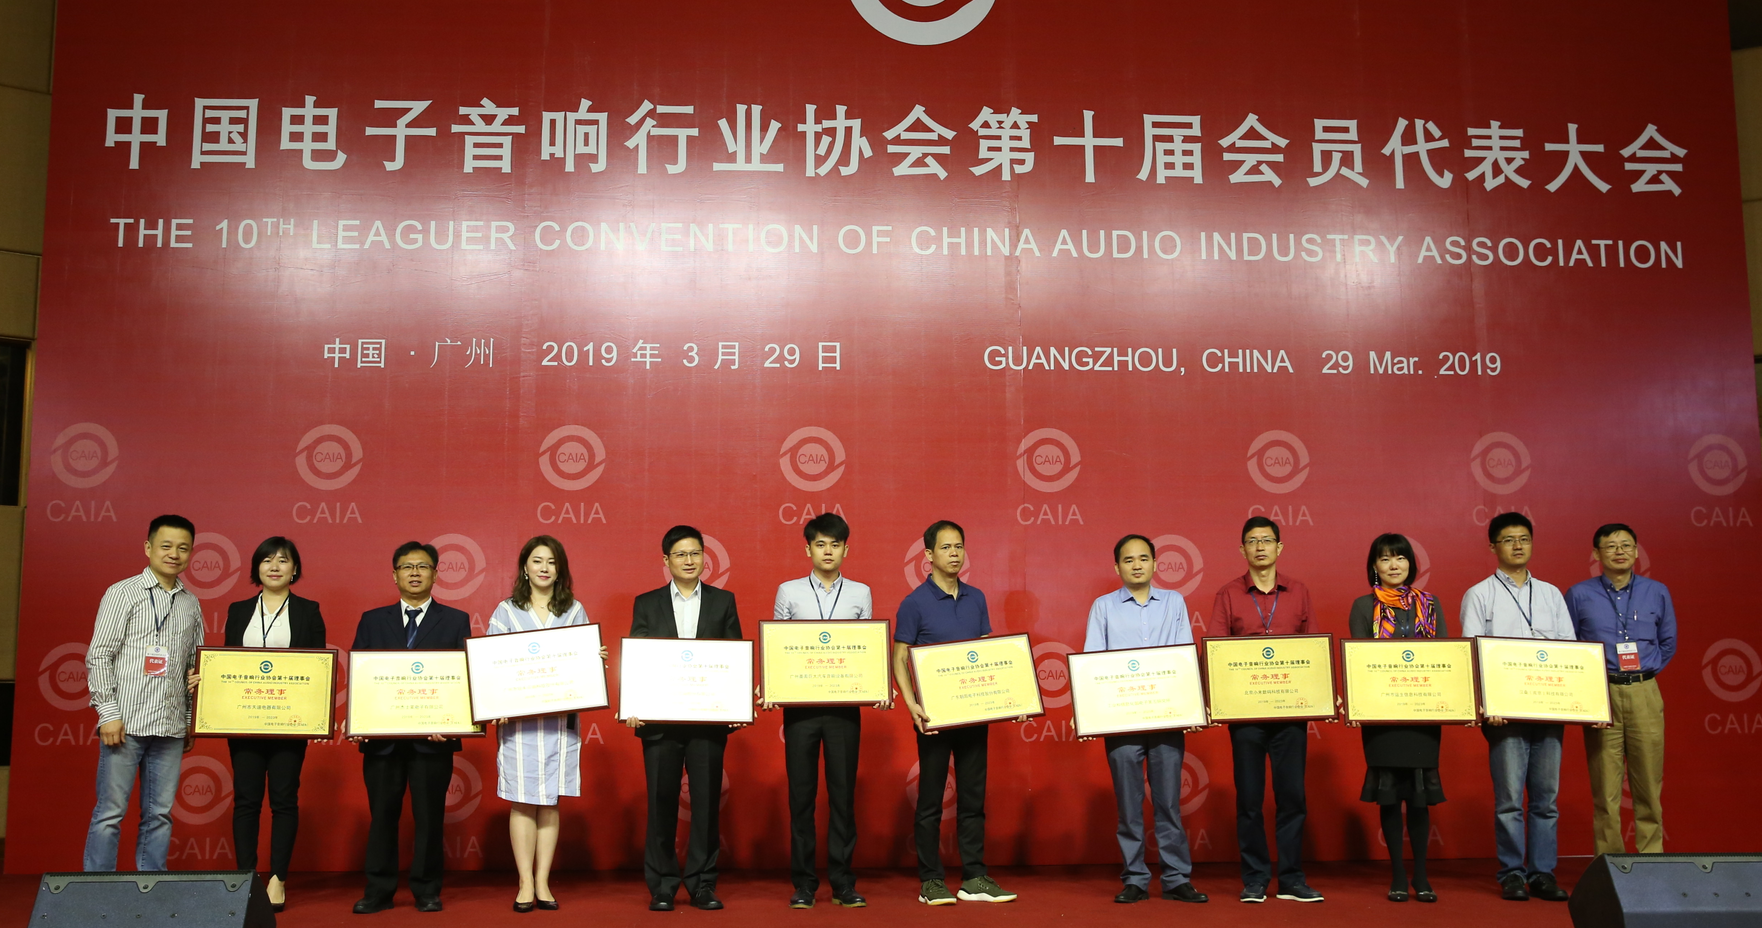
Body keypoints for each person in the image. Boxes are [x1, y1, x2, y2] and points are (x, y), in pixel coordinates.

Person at [891, 520, 1017, 907]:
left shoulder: (977, 598)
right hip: (934, 717)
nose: (954, 554)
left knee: (973, 799)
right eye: (945, 547)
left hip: (973, 714)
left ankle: (974, 877)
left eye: (959, 546)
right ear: (929, 555)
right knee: (931, 800)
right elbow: (899, 658)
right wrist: (912, 704)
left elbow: (986, 654)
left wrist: (1009, 699)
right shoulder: (914, 603)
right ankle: (931, 880)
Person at [1082, 534, 1208, 904]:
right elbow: (1092, 662)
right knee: (1129, 803)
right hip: (1121, 720)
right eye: (1128, 560)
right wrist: (1089, 713)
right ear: (1117, 567)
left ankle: (1176, 878)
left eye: (1143, 558)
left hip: (1166, 716)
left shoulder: (1174, 601)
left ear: (1154, 563)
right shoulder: (1103, 607)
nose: (1136, 565)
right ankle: (1135, 878)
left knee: (1168, 802)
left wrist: (1192, 707)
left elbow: (1184, 656)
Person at [350, 541, 472, 915]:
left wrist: (453, 722)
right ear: (395, 575)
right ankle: (379, 890)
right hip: (382, 740)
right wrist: (359, 719)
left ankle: (426, 889)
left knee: (429, 818)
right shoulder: (373, 620)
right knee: (382, 817)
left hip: (433, 739)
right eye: (407, 566)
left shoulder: (455, 620)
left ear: (435, 574)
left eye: (422, 566)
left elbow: (464, 678)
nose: (415, 573)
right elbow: (360, 674)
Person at [628, 525, 745, 912]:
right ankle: (662, 885)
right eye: (680, 554)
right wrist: (633, 705)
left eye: (695, 553)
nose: (689, 560)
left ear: (704, 558)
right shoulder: (647, 603)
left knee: (706, 805)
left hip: (707, 723)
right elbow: (638, 659)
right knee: (660, 803)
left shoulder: (723, 601)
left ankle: (702, 884)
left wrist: (736, 704)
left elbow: (733, 657)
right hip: (659, 723)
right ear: (666, 560)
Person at [1207, 516, 1323, 904]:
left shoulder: (1300, 591)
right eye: (1252, 541)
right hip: (1247, 716)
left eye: (1267, 540)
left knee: (1292, 797)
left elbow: (1313, 648)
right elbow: (1216, 651)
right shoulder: (1228, 594)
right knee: (1249, 799)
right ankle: (1255, 878)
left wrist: (1324, 692)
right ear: (1242, 549)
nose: (1260, 547)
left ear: (1279, 547)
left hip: (1290, 713)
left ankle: (1291, 879)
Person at [1459, 514, 1574, 902]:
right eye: (1509, 540)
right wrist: (1487, 704)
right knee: (1509, 800)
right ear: (1493, 547)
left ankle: (1542, 874)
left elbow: (1570, 650)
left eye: (1524, 538)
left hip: (1549, 709)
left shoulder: (1551, 594)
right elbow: (1472, 653)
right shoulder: (1480, 594)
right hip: (1504, 713)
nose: (1518, 545)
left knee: (1546, 800)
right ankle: (1511, 872)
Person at [487, 535, 604, 913]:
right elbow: (491, 666)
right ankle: (524, 881)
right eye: (537, 561)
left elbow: (584, 668)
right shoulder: (506, 611)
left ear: (560, 569)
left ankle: (543, 880)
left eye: (551, 562)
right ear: (525, 566)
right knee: (523, 801)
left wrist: (594, 660)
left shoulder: (574, 610)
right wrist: (495, 703)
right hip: (519, 725)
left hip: (558, 723)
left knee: (550, 801)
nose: (544, 568)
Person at [82, 515, 204, 872]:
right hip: (125, 724)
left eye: (183, 548)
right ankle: (97, 890)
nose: (174, 554)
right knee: (110, 813)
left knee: (160, 815)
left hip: (170, 728)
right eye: (166, 546)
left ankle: (151, 888)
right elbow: (99, 655)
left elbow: (194, 667)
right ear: (148, 548)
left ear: (191, 553)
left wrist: (189, 720)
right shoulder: (122, 593)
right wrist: (108, 714)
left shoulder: (191, 603)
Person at [768, 513, 877, 909]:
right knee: (801, 798)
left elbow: (867, 648)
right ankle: (804, 884)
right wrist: (772, 685)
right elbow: (778, 645)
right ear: (808, 549)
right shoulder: (789, 591)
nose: (828, 551)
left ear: (846, 549)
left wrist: (877, 685)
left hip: (844, 710)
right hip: (801, 711)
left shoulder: (861, 592)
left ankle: (843, 883)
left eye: (835, 544)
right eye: (820, 544)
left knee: (843, 798)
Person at [224, 537, 326, 912]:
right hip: (244, 720)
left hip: (289, 722)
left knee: (284, 800)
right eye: (267, 560)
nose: (275, 566)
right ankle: (246, 878)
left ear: (294, 569)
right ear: (257, 568)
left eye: (283, 560)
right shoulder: (238, 610)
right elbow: (226, 664)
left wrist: (315, 716)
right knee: (246, 800)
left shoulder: (308, 611)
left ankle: (278, 878)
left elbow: (319, 669)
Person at [1349, 533, 1448, 904]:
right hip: (1382, 715)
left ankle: (1421, 875)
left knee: (1419, 797)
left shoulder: (1430, 604)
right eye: (1386, 559)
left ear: (1411, 563)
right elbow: (1359, 662)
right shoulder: (1363, 606)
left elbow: (1445, 659)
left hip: (1423, 713)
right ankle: (1397, 875)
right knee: (1389, 796)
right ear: (1374, 566)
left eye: (1400, 558)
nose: (1394, 565)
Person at [1566, 523, 1675, 856]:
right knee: (1605, 788)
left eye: (1626, 545)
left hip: (1644, 692)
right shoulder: (1579, 594)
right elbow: (1570, 646)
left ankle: (1652, 859)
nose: (1620, 551)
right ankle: (1610, 863)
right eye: (1611, 546)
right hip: (1602, 694)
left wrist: (1645, 672)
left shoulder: (1657, 591)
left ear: (1637, 551)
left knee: (1648, 783)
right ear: (1596, 553)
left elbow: (1668, 642)